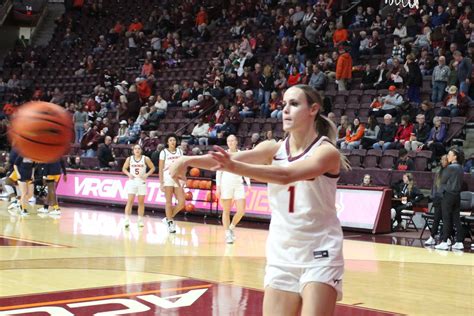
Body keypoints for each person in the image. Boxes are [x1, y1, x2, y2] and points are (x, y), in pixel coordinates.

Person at [170, 84, 350, 315]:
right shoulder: (272, 149)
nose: (285, 110)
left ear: (313, 109)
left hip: (320, 252)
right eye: (284, 104)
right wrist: (186, 160)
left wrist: (234, 166)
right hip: (281, 252)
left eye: (294, 104)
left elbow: (286, 175)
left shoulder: (326, 152)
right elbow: (225, 159)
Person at [216, 135, 251, 244]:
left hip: (238, 184)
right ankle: (227, 234)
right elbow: (218, 172)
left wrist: (248, 184)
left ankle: (231, 228)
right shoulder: (223, 155)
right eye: (228, 141)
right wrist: (218, 187)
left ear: (236, 142)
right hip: (226, 184)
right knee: (226, 211)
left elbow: (245, 169)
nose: (230, 142)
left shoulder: (241, 154)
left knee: (241, 211)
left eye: (232, 140)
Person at [435, 147, 465, 250]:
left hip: (448, 195)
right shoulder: (461, 167)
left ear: (454, 156)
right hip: (457, 195)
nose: (448, 156)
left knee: (446, 218)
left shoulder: (451, 167)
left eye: (449, 154)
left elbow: (442, 180)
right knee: (456, 218)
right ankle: (460, 241)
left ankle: (444, 241)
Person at [122, 144, 155, 228]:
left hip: (141, 182)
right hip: (132, 181)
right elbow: (124, 168)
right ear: (133, 150)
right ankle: (126, 220)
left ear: (141, 150)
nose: (137, 150)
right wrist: (128, 174)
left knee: (141, 202)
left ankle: (140, 220)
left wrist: (147, 174)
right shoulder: (129, 159)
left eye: (139, 149)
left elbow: (153, 168)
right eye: (135, 149)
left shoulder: (145, 158)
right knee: (130, 201)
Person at [159, 134, 186, 233]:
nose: (172, 142)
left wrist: (183, 178)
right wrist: (161, 183)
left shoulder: (180, 151)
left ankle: (168, 218)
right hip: (167, 178)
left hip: (178, 178)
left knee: (182, 202)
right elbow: (161, 169)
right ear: (167, 142)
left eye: (174, 140)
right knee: (169, 202)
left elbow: (183, 165)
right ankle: (170, 222)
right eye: (170, 140)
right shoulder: (163, 152)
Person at [425, 155, 448, 246]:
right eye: (441, 159)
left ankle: (447, 238)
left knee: (446, 219)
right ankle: (432, 237)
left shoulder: (450, 171)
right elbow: (434, 186)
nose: (441, 161)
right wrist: (433, 196)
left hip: (446, 198)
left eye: (443, 159)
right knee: (436, 219)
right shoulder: (438, 172)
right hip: (438, 198)